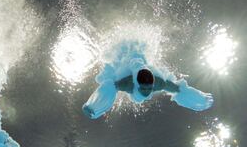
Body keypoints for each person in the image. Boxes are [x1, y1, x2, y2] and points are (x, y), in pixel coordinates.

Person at [82, 43, 213, 119]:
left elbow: (180, 89)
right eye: (144, 88)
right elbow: (108, 89)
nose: (146, 91)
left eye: (148, 88)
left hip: (141, 64)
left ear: (153, 85)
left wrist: (200, 99)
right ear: (137, 84)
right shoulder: (128, 85)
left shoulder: (159, 83)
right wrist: (92, 106)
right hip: (129, 64)